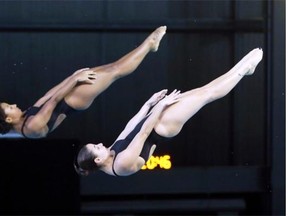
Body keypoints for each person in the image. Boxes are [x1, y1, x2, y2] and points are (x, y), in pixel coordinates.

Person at [75, 48, 263, 177]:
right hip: (162, 127)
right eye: (96, 147)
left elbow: (129, 128)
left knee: (204, 90)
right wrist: (161, 106)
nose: (100, 143)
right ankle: (244, 69)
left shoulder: (111, 153)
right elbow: (143, 134)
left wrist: (147, 105)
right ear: (98, 160)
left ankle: (245, 69)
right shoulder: (120, 166)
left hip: (154, 118)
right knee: (207, 94)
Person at [0, 26, 167, 139]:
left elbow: (47, 95)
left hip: (66, 95)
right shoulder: (31, 128)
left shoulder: (25, 117)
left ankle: (149, 45)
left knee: (112, 67)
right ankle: (149, 44)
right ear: (8, 120)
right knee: (115, 71)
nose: (14, 104)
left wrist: (73, 76)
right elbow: (53, 101)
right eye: (9, 107)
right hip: (72, 102)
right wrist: (74, 80)